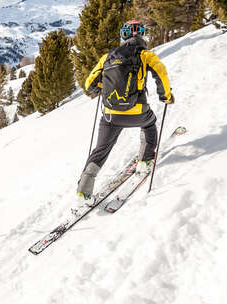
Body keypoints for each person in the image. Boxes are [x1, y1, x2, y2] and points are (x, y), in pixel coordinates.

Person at [75, 20, 174, 208]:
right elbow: (160, 73)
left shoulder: (108, 57)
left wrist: (103, 88)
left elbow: (89, 84)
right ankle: (144, 162)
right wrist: (166, 96)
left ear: (123, 36)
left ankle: (83, 191)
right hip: (137, 110)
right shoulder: (146, 55)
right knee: (149, 124)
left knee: (100, 150)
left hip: (111, 114)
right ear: (142, 36)